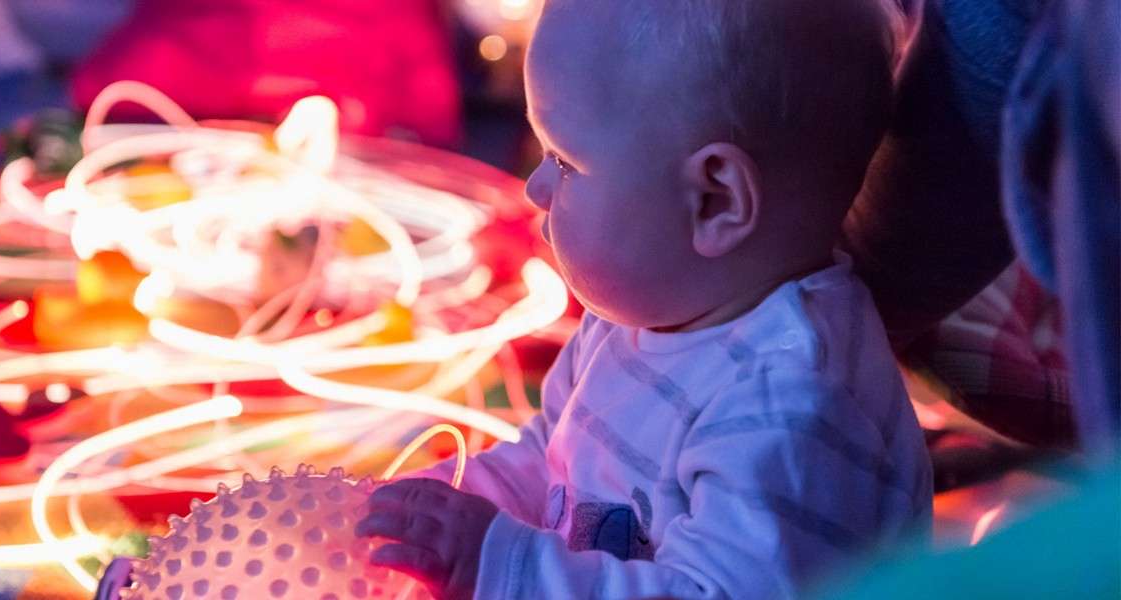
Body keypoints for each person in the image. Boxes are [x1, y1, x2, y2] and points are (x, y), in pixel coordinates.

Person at [355, 1, 933, 598]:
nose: (535, 188)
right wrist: (450, 507)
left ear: (713, 200)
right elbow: (552, 460)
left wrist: (498, 562)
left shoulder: (791, 412)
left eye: (564, 161)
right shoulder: (641, 318)